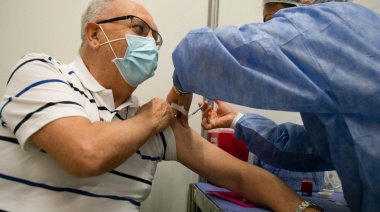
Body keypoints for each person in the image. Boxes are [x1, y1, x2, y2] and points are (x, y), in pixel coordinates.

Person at [0, 0, 317, 211]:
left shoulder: (158, 125)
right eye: (138, 29)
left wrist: (304, 209)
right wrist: (150, 119)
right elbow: (85, 152)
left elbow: (243, 177)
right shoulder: (41, 73)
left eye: (156, 37)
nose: (150, 43)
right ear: (95, 34)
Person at [167, 0, 380, 211]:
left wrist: (180, 88)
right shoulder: (362, 26)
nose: (271, 31)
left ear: (305, 2)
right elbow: (314, 148)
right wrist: (236, 120)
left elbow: (198, 54)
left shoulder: (321, 25)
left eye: (274, 21)